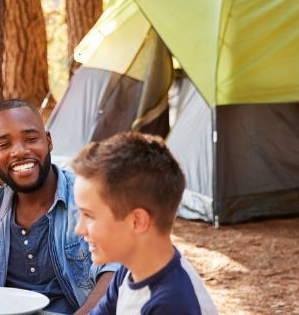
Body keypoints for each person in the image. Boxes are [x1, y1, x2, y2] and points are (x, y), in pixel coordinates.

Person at [0, 99, 118, 314]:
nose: (19, 151)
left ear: (48, 141)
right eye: (4, 145)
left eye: (31, 139)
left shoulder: (89, 198)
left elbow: (116, 269)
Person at [72, 132, 219, 314]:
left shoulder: (173, 304)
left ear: (137, 221)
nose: (79, 229)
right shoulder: (129, 271)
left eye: (89, 215)